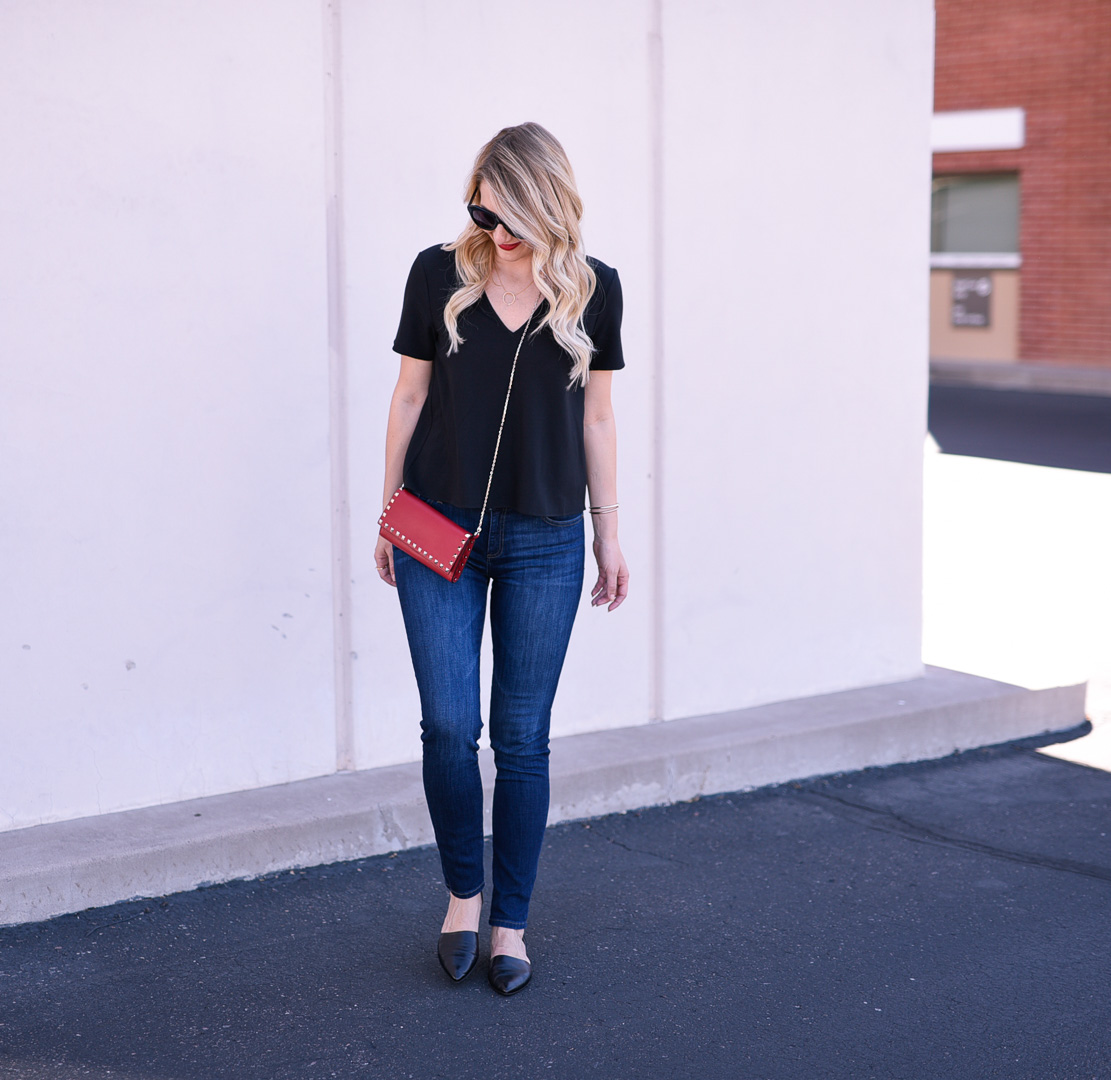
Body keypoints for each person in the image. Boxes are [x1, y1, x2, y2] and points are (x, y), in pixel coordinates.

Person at [375, 122, 628, 996]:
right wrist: (387, 513)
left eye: (507, 209)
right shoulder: (437, 273)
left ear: (543, 198)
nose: (491, 225)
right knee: (449, 727)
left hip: (544, 539)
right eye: (478, 207)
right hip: (436, 528)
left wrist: (609, 532)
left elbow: (596, 418)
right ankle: (460, 897)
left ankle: (510, 924)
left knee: (521, 742)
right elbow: (408, 397)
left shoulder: (594, 291)